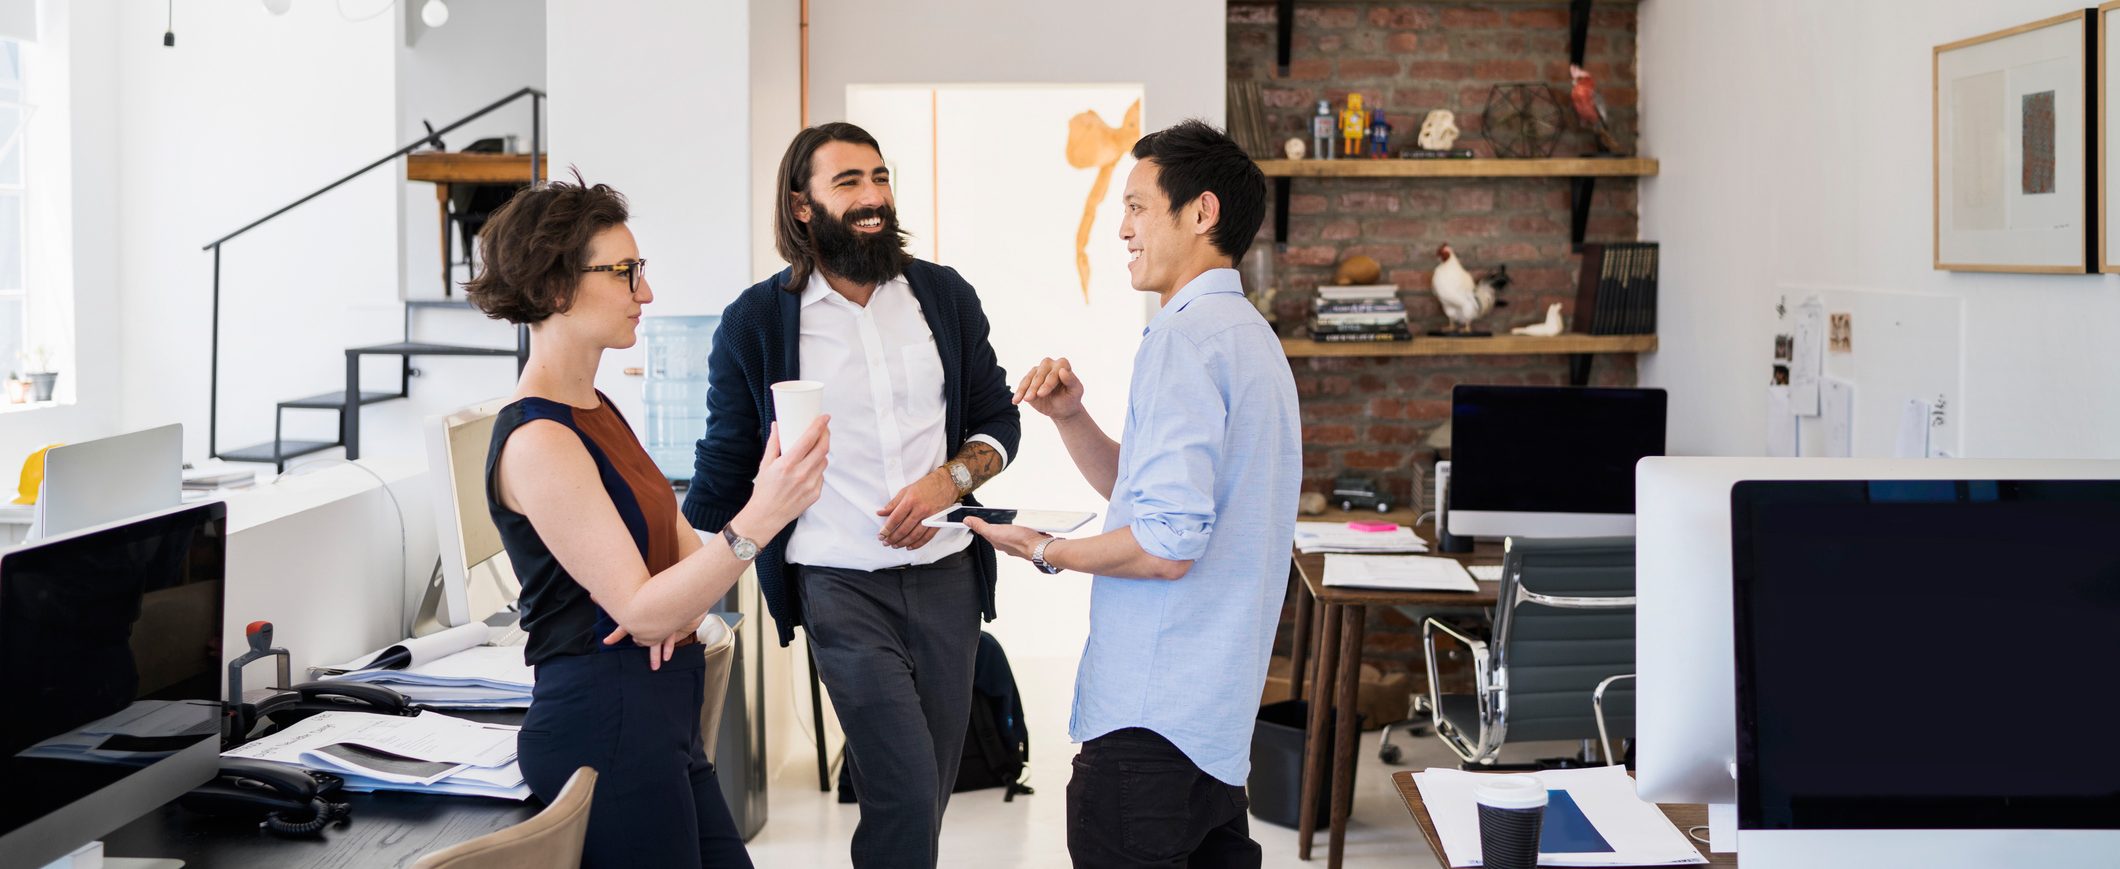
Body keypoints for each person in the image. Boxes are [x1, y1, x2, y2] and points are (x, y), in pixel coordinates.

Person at [467, 175, 831, 869]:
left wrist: (675, 601)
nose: (647, 293)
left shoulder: (597, 410)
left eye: (642, 271)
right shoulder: (538, 440)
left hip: (659, 719)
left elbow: (675, 565)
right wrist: (762, 512)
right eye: (625, 272)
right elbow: (641, 604)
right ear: (554, 289)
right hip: (606, 729)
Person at [682, 123, 1020, 868]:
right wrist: (667, 575)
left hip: (949, 581)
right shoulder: (756, 323)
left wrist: (948, 480)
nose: (873, 198)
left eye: (880, 177)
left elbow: (999, 421)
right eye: (849, 183)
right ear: (802, 206)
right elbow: (724, 469)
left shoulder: (944, 296)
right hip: (838, 585)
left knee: (924, 787)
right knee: (901, 786)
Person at [966, 120, 1299, 868]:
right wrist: (1072, 417)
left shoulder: (1183, 338)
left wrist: (1043, 547)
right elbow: (1157, 500)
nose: (1121, 229)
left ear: (1202, 211)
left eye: (1138, 207)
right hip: (1211, 730)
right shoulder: (1248, 336)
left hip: (1149, 728)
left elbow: (1166, 544)